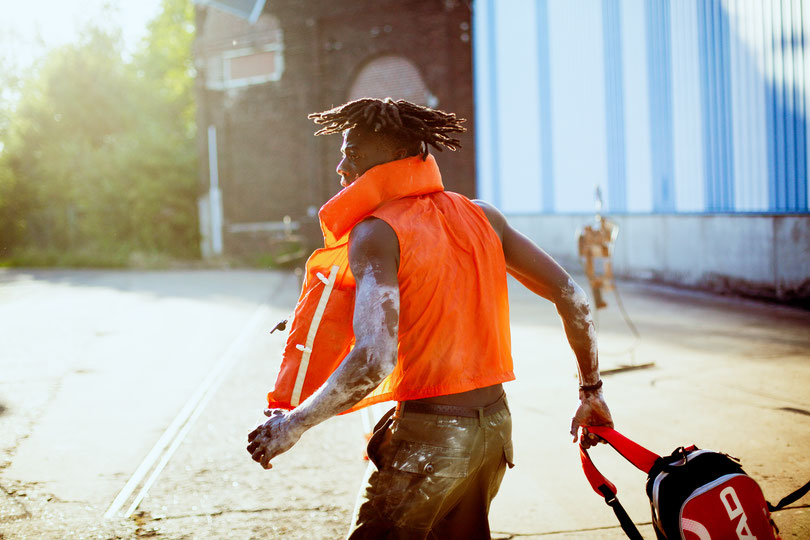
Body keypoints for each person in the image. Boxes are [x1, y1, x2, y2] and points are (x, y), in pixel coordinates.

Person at [247, 97, 613, 539]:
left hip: (428, 443)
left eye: (354, 153)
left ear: (396, 158)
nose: (342, 167)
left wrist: (292, 424)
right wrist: (590, 390)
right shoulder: (483, 216)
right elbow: (571, 296)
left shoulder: (375, 232)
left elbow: (373, 359)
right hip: (494, 431)